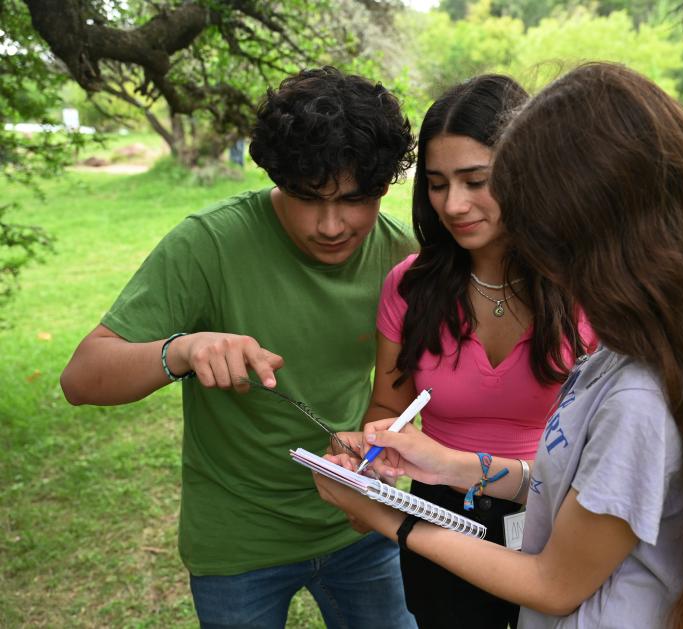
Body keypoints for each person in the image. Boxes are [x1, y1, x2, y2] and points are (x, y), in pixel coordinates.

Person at [315, 62, 683, 629]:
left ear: (586, 223)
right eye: (440, 184)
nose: (461, 207)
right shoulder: (623, 357)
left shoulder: (640, 395)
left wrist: (388, 519)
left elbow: (552, 584)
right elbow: (568, 484)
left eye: (517, 201)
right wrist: (449, 465)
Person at [59, 67, 418, 629]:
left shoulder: (403, 255)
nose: (330, 224)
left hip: (359, 522)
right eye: (307, 197)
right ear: (277, 177)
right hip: (238, 540)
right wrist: (181, 350)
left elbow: (397, 397)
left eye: (355, 199)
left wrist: (371, 457)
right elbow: (81, 379)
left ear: (384, 185)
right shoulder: (209, 243)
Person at [355, 74, 594, 629]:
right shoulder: (408, 287)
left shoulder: (585, 286)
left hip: (560, 512)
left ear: (528, 172)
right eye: (436, 184)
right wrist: (370, 452)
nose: (453, 205)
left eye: (475, 180)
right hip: (438, 518)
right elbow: (388, 409)